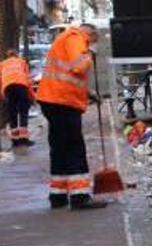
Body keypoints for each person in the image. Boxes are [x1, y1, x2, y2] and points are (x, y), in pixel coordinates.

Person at [36, 23, 107, 210]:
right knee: (74, 146)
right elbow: (77, 67)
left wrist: (87, 92)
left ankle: (57, 195)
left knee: (59, 147)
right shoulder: (76, 38)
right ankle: (80, 196)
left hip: (52, 99)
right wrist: (89, 54)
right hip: (63, 102)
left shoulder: (66, 39)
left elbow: (67, 74)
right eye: (94, 41)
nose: (93, 44)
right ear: (90, 35)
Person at [0, 49, 36, 147]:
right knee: (23, 112)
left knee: (13, 114)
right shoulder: (22, 62)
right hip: (21, 86)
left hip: (8, 88)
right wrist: (32, 96)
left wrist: (3, 95)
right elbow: (28, 80)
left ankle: (15, 141)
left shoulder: (2, 64)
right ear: (17, 55)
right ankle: (24, 139)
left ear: (7, 56)